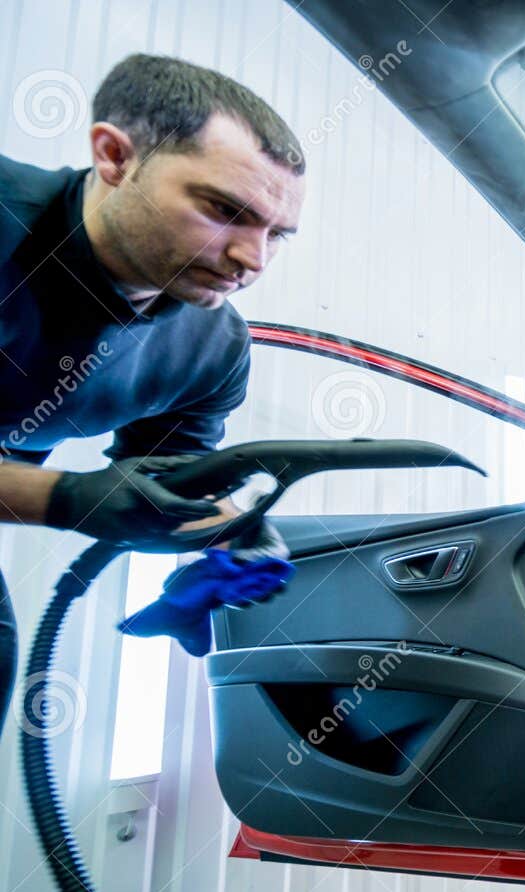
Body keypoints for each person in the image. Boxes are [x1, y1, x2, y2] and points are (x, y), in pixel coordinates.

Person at [0, 53, 306, 710]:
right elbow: (84, 498)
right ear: (114, 157)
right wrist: (64, 497)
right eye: (225, 209)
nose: (252, 260)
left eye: (276, 234)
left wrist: (229, 533)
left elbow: (164, 485)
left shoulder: (210, 350)